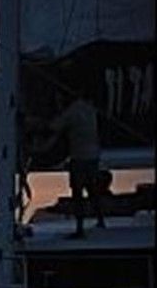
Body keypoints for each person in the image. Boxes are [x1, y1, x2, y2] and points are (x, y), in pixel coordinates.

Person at [35, 86, 105, 239]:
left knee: (77, 193)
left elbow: (53, 127)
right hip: (93, 156)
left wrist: (33, 125)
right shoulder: (90, 108)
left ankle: (80, 229)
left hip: (80, 158)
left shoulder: (73, 111)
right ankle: (101, 221)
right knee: (93, 190)